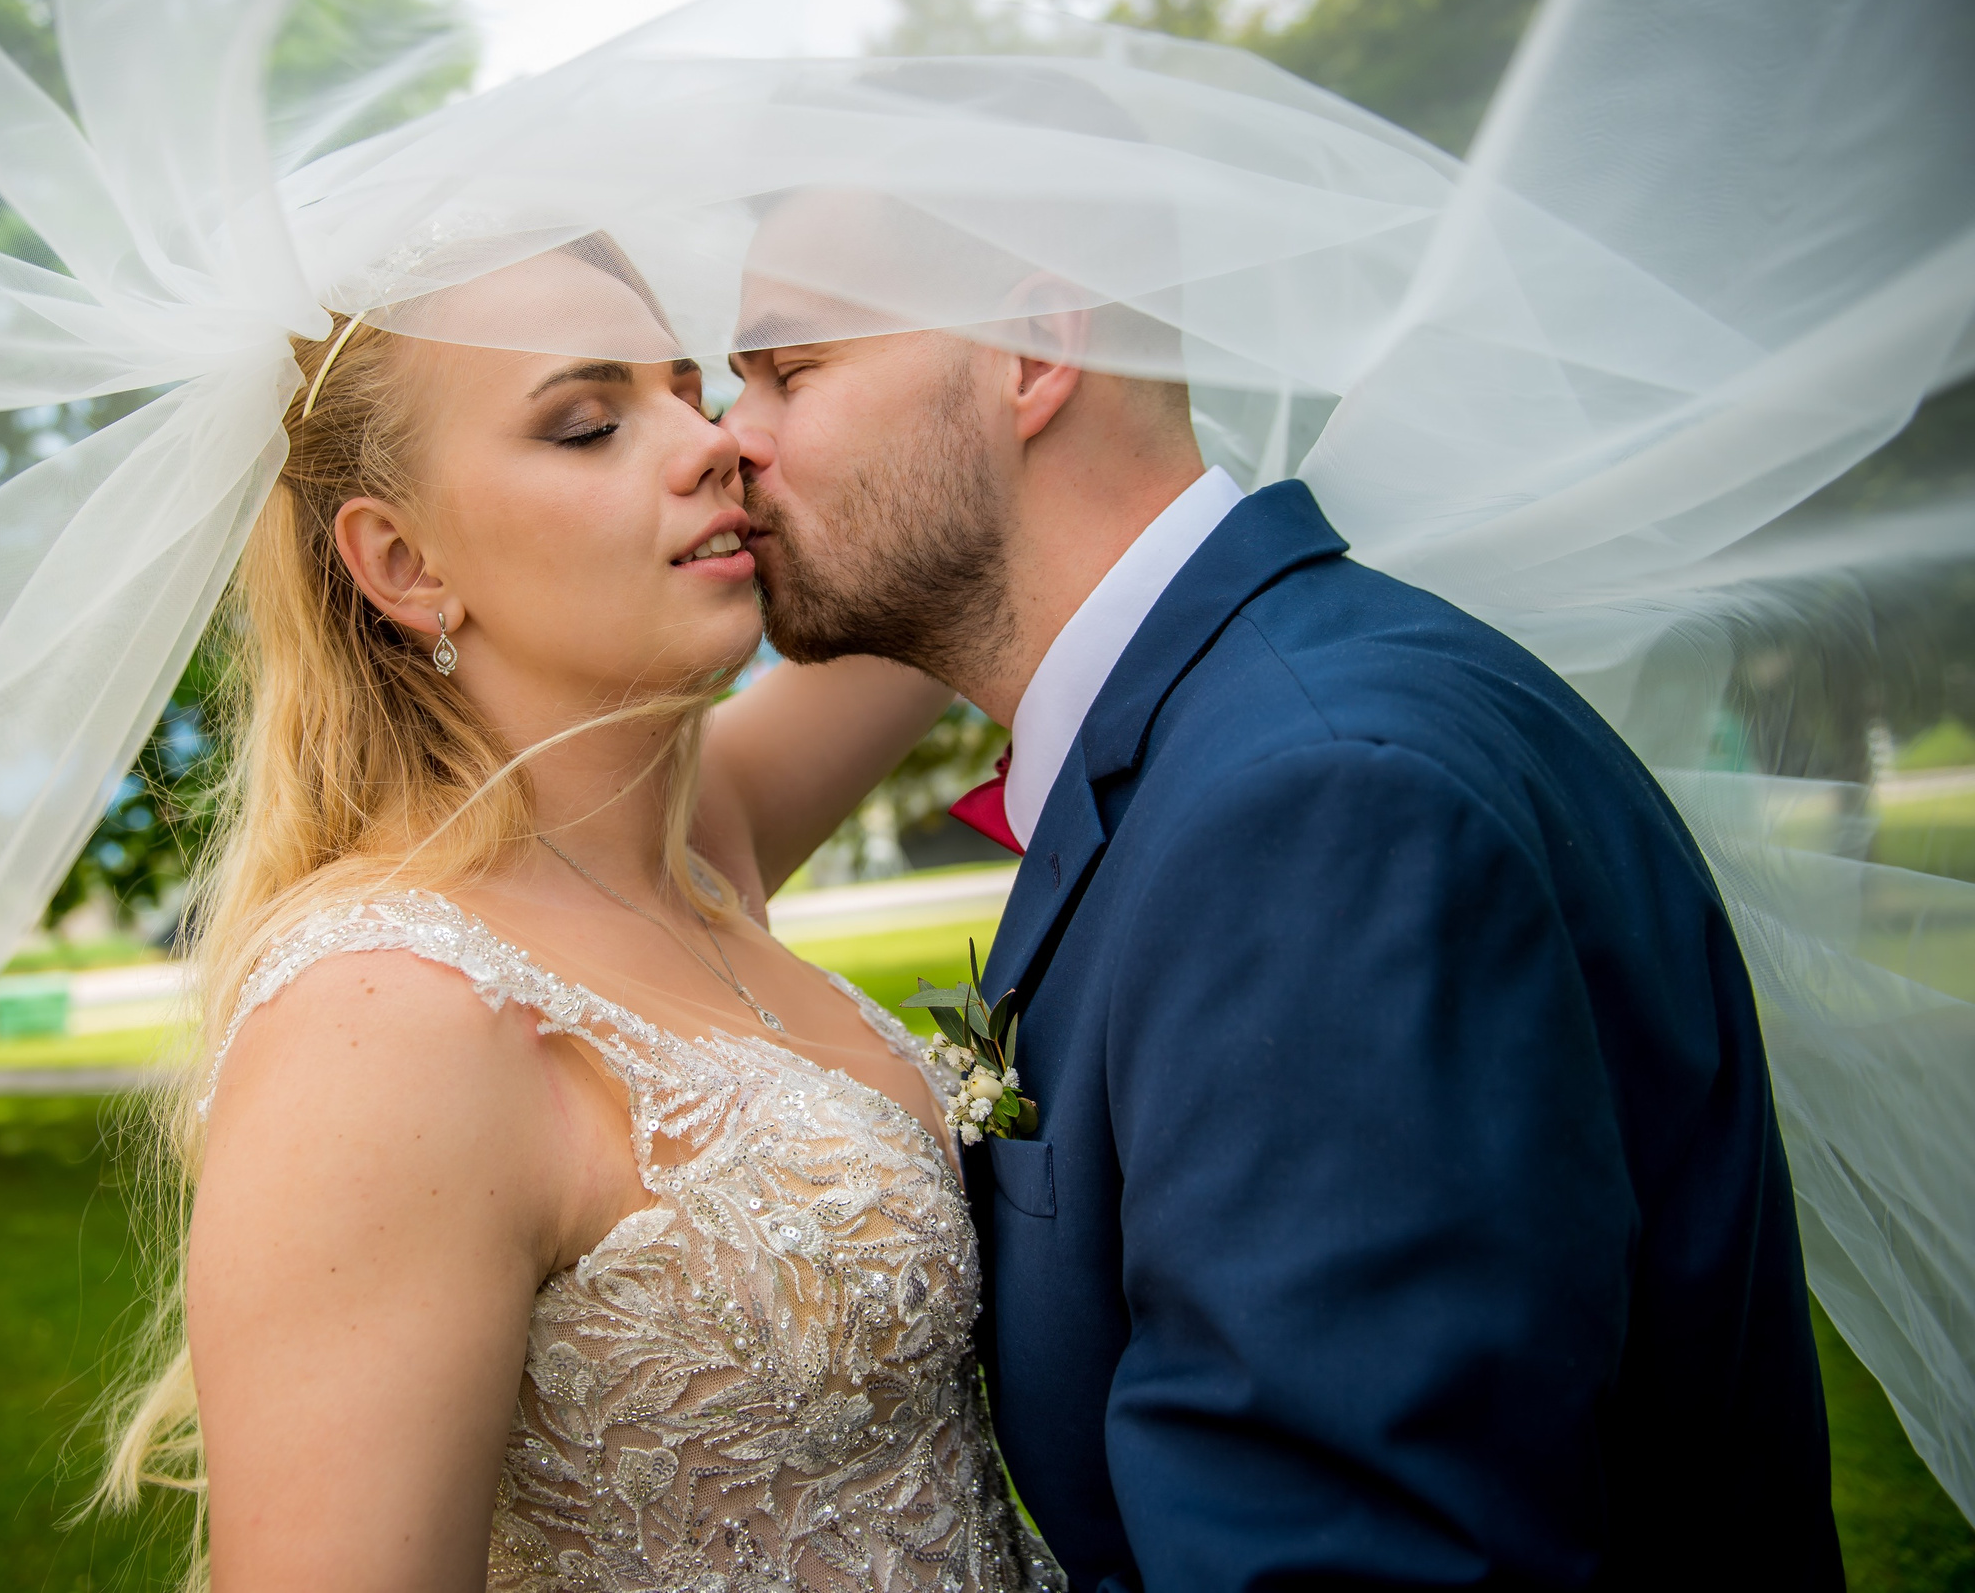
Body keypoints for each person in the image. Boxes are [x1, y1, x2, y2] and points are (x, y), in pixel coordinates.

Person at [719, 272, 1846, 1587]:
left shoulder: (1316, 807)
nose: (729, 438)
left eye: (791, 371)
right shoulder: (1255, 721)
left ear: (1031, 352)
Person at [104, 239, 1065, 1592]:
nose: (713, 444)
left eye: (692, 391)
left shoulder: (696, 838)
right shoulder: (386, 1021)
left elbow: (969, 543)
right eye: (589, 424)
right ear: (404, 562)